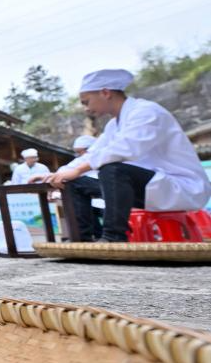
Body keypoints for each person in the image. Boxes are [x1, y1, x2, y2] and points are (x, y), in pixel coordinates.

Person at [41, 68, 211, 242]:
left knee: (112, 169)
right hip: (150, 187)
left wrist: (78, 170)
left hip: (181, 188)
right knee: (74, 182)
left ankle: (113, 237)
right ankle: (82, 238)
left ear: (105, 93)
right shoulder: (113, 125)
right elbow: (93, 153)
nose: (87, 109)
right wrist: (59, 174)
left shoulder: (146, 111)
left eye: (87, 102)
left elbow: (124, 149)